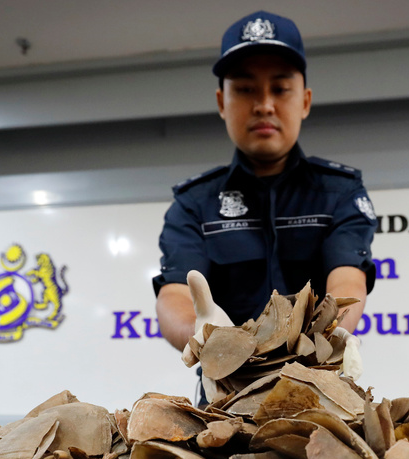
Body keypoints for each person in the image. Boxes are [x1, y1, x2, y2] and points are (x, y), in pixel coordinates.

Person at [151, 10, 377, 372]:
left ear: (304, 100)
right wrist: (201, 333)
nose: (264, 105)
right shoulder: (193, 203)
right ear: (222, 102)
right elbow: (175, 294)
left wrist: (329, 331)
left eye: (280, 88)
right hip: (224, 396)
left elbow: (348, 278)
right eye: (245, 89)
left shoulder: (340, 192)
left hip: (317, 386)